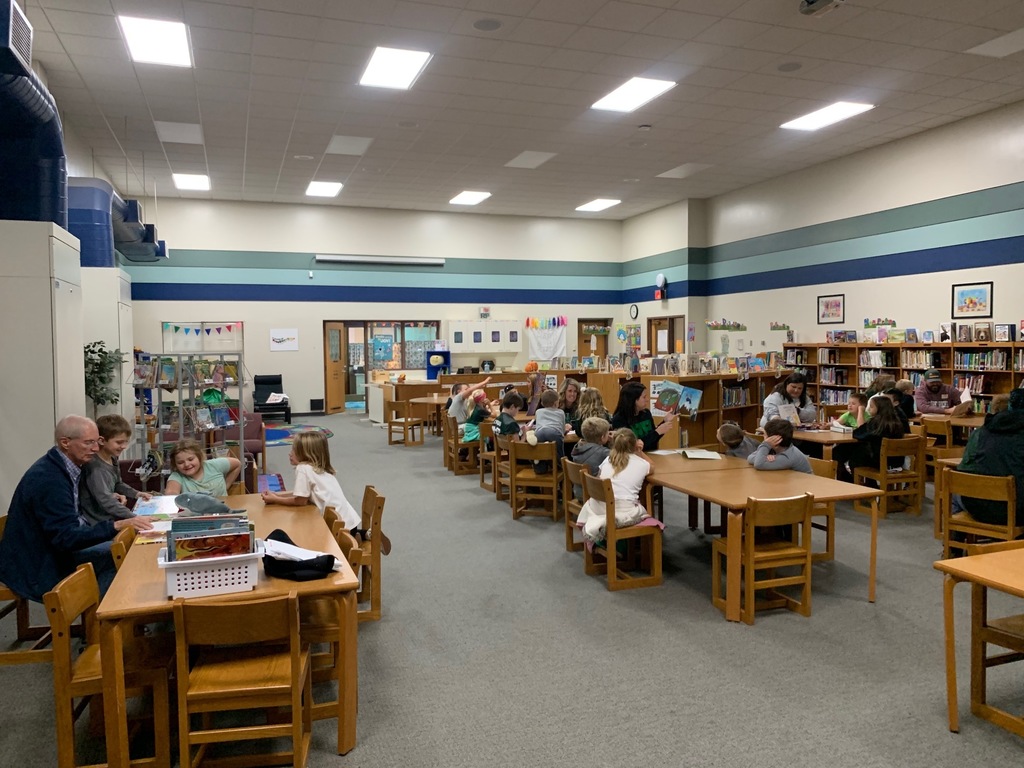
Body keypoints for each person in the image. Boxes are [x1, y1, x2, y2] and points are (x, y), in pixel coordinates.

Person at [0, 415, 152, 602]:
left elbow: (68, 511)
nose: (96, 449)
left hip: (46, 550)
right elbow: (66, 538)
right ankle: (103, 620)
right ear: (65, 442)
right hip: (37, 565)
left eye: (97, 442)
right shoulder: (49, 479)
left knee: (126, 547)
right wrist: (116, 525)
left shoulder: (63, 466)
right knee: (121, 554)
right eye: (88, 443)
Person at [950, 388, 1024, 527]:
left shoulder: (982, 432)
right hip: (1018, 510)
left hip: (978, 505)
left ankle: (954, 543)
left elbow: (965, 466)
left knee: (956, 490)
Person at [261, 431, 360, 530]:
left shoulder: (303, 468)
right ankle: (361, 534)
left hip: (337, 528)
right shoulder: (320, 469)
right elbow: (303, 494)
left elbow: (300, 501)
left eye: (294, 450)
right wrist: (278, 495)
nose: (290, 454)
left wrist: (275, 500)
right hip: (350, 522)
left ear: (305, 454)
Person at [575, 428, 656, 545]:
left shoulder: (608, 460)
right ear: (634, 445)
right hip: (621, 510)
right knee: (641, 509)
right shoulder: (641, 464)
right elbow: (652, 465)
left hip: (597, 506)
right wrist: (639, 451)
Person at [79, 414, 153, 525]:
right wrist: (134, 517)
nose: (124, 446)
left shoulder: (113, 457)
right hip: (98, 523)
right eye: (119, 442)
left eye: (126, 441)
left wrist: (136, 494)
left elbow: (118, 483)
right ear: (102, 441)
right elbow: (106, 500)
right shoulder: (96, 468)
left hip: (110, 518)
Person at [834, 395, 906, 482]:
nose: (868, 409)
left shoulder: (876, 423)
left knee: (848, 456)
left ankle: (855, 482)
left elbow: (859, 433)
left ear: (879, 409)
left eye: (871, 407)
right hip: (896, 462)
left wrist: (860, 412)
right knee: (854, 452)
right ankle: (867, 483)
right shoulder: (897, 422)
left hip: (879, 461)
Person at [611, 380, 677, 451]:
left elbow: (653, 438)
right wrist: (657, 432)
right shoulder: (619, 419)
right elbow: (632, 445)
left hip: (652, 454)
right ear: (634, 400)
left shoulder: (646, 413)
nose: (647, 400)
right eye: (644, 397)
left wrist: (664, 422)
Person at [163, 438, 242, 497]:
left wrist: (226, 485)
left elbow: (237, 464)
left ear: (199, 457)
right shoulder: (177, 476)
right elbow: (170, 495)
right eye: (180, 462)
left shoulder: (214, 465)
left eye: (191, 459)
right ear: (175, 464)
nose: (186, 464)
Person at [748, 418, 812, 473]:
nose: (763, 437)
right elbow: (750, 457)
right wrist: (765, 456)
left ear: (775, 440)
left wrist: (765, 445)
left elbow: (759, 464)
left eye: (765, 434)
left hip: (805, 485)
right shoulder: (775, 448)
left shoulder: (789, 457)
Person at [570, 417, 611, 500]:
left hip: (578, 492)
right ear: (603, 437)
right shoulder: (603, 453)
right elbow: (620, 457)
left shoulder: (578, 447)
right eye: (608, 433)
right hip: (593, 495)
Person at [533, 389, 567, 463]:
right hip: (554, 432)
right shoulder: (561, 412)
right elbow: (563, 429)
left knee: (539, 452)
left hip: (539, 433)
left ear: (542, 403)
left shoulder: (538, 412)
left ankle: (540, 467)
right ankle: (559, 467)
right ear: (555, 403)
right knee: (558, 453)